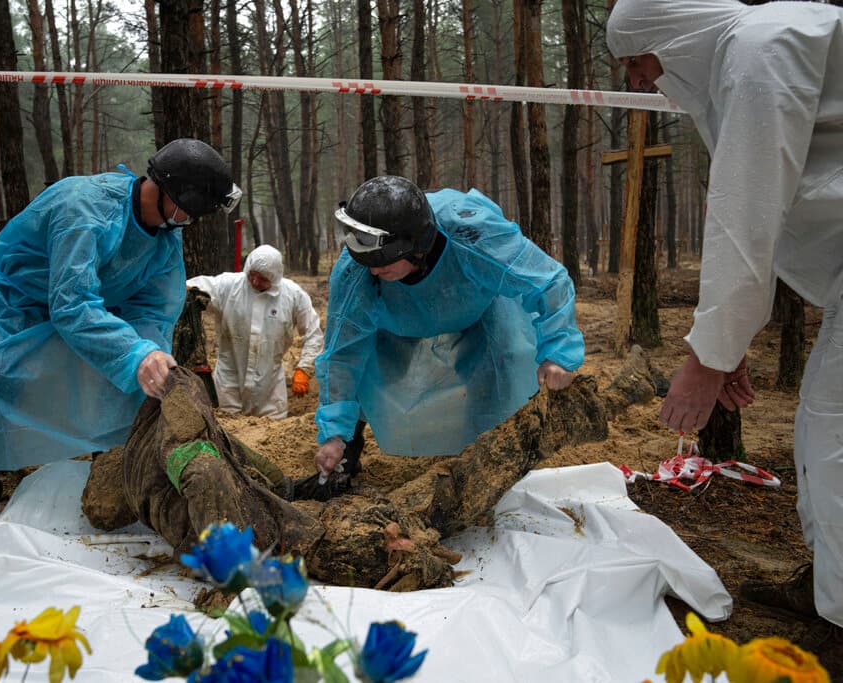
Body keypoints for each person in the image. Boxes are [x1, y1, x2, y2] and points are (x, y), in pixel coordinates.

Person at [607, 0, 843, 645]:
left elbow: (747, 210)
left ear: (672, 38)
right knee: (821, 431)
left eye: (636, 60)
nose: (634, 80)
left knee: (833, 435)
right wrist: (727, 343)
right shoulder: (762, 47)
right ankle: (831, 583)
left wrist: (707, 361)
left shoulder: (762, 50)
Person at [0, 138, 241, 522]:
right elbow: (72, 304)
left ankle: (110, 470)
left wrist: (148, 355)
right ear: (172, 195)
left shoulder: (167, 235)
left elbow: (153, 309)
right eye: (190, 213)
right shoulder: (82, 209)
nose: (191, 222)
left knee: (126, 380)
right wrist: (133, 354)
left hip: (87, 312)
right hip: (11, 307)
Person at [312, 175, 584, 484]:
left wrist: (559, 353)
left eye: (382, 262)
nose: (372, 269)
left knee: (499, 369)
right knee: (366, 370)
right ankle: (349, 444)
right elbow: (342, 355)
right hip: (394, 323)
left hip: (478, 312)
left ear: (415, 247)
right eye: (366, 260)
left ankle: (482, 456)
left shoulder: (474, 233)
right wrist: (334, 434)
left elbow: (548, 280)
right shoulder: (356, 270)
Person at [186, 244, 324, 418]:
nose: (255, 282)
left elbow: (313, 333)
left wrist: (304, 368)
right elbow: (196, 287)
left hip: (270, 389)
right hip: (229, 383)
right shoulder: (229, 286)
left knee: (271, 436)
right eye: (252, 275)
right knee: (230, 430)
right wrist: (186, 290)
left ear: (275, 277)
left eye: (263, 278)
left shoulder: (293, 295)